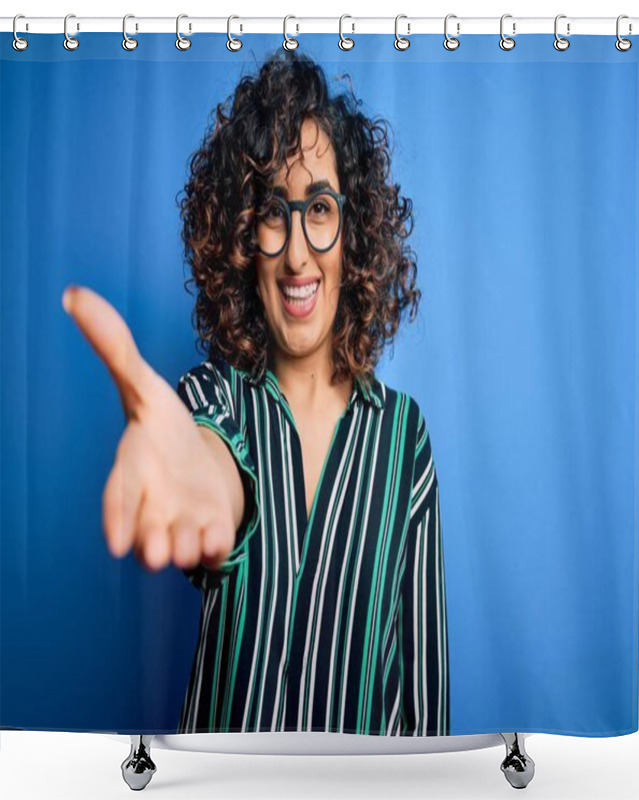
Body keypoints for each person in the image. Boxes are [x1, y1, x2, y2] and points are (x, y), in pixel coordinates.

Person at [62, 49, 450, 736]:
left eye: (320, 208)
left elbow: (422, 698)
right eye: (275, 212)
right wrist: (204, 480)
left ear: (354, 232)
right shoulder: (214, 396)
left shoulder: (404, 439)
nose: (298, 254)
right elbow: (212, 459)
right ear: (243, 238)